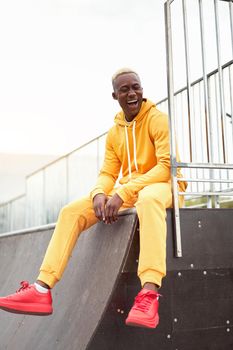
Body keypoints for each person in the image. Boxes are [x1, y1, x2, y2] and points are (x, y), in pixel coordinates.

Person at [0, 68, 186, 329]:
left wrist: (123, 192)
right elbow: (108, 172)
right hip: (131, 190)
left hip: (163, 185)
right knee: (70, 212)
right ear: (115, 95)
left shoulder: (157, 119)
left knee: (146, 198)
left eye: (137, 87)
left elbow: (166, 165)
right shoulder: (115, 132)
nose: (132, 93)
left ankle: (149, 294)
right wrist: (99, 192)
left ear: (142, 90)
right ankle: (42, 289)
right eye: (125, 89)